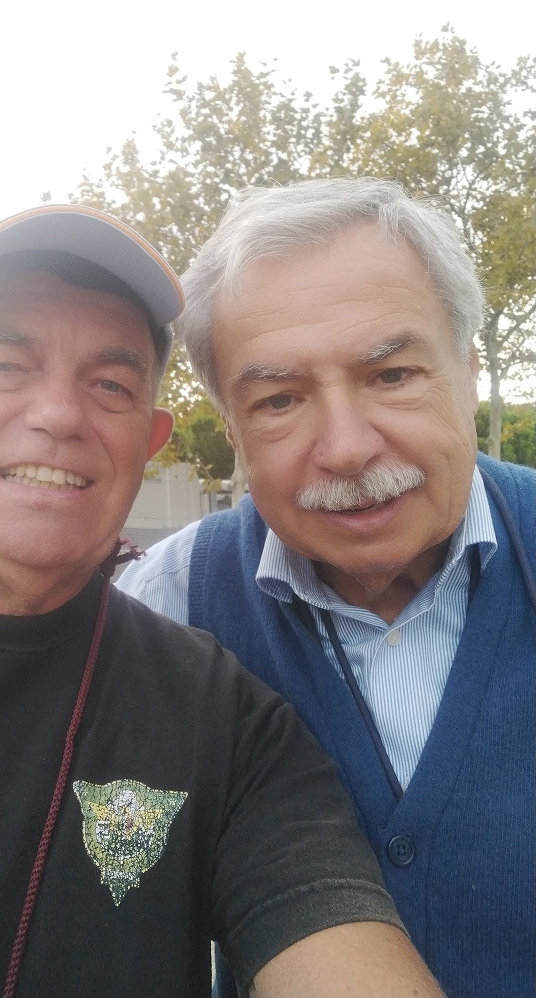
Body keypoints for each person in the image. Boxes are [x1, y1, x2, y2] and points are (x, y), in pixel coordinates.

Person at [0, 205, 442, 998]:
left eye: (110, 384)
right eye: (4, 366)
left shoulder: (224, 718)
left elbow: (325, 925)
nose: (57, 414)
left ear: (148, 442)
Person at [117, 177, 536, 998]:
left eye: (392, 375)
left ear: (468, 370)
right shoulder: (166, 608)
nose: (345, 448)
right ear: (232, 428)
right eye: (279, 399)